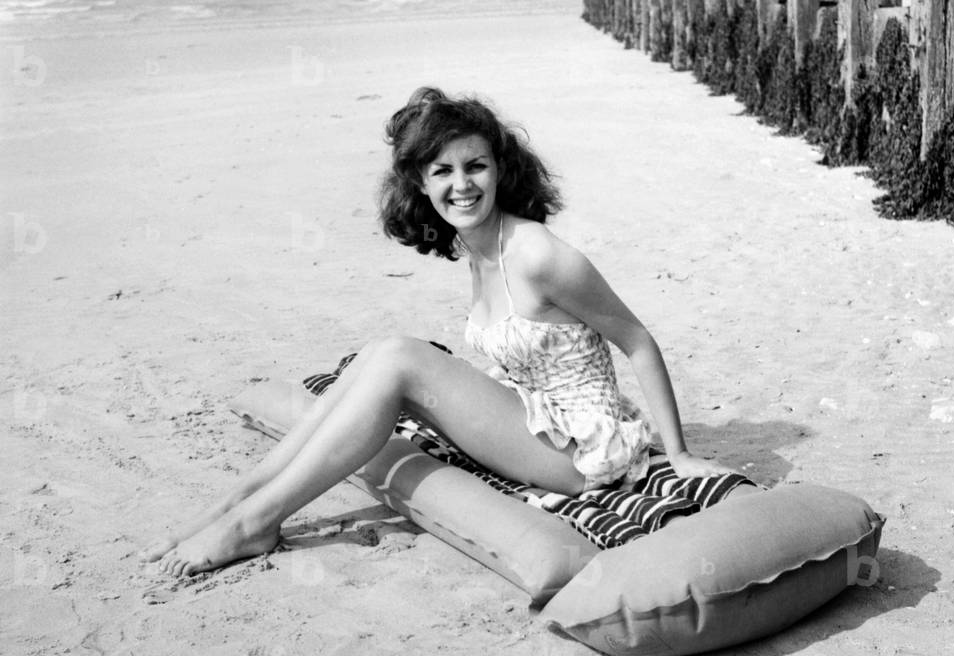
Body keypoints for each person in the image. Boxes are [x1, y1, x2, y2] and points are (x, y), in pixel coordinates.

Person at [143, 87, 751, 577]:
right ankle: (238, 500)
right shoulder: (476, 247)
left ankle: (256, 522)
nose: (462, 184)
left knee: (402, 359)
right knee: (382, 353)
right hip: (534, 419)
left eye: (476, 166)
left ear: (500, 169)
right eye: (443, 171)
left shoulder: (537, 253)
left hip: (581, 451)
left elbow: (638, 341)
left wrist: (679, 455)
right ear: (421, 183)